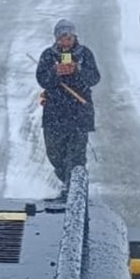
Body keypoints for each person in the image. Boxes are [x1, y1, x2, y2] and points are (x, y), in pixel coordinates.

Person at [36, 19, 101, 198]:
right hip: (54, 115)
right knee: (55, 154)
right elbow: (42, 80)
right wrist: (55, 72)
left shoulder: (84, 54)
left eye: (69, 37)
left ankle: (73, 190)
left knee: (77, 156)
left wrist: (77, 70)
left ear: (74, 37)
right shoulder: (48, 56)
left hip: (78, 114)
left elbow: (94, 78)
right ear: (56, 38)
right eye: (62, 38)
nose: (66, 41)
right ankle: (66, 180)